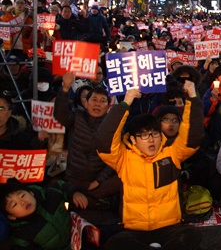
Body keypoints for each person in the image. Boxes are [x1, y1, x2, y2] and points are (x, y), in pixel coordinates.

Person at [96, 81, 204, 250]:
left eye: (154, 134)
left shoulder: (172, 153)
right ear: (133, 139)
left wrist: (192, 97)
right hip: (134, 230)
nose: (151, 139)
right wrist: (126, 102)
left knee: (192, 235)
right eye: (144, 136)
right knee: (115, 244)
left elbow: (193, 137)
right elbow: (104, 142)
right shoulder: (123, 158)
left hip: (170, 227)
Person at [54, 72, 121, 209]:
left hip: (99, 181)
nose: (97, 104)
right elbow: (60, 114)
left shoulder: (113, 127)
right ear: (86, 103)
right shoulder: (76, 117)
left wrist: (98, 180)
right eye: (94, 100)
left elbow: (116, 158)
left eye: (102, 101)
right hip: (74, 177)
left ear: (108, 107)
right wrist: (65, 88)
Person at [0, 179, 88, 250]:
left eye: (22, 195)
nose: (22, 202)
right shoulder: (21, 236)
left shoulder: (50, 195)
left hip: (82, 234)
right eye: (14, 204)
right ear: (11, 216)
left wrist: (74, 193)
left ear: (31, 193)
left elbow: (61, 186)